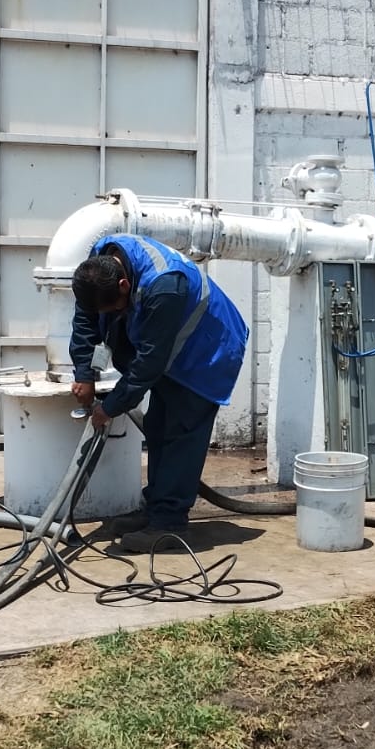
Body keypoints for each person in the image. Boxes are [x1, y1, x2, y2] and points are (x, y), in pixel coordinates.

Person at [68, 233, 248, 551]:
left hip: (205, 354)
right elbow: (86, 318)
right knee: (158, 428)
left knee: (180, 434)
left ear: (124, 285)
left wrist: (110, 407)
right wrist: (84, 372)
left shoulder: (164, 284)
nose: (112, 314)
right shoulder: (99, 263)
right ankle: (155, 510)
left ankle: (169, 525)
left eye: (115, 308)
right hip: (170, 351)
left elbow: (149, 363)